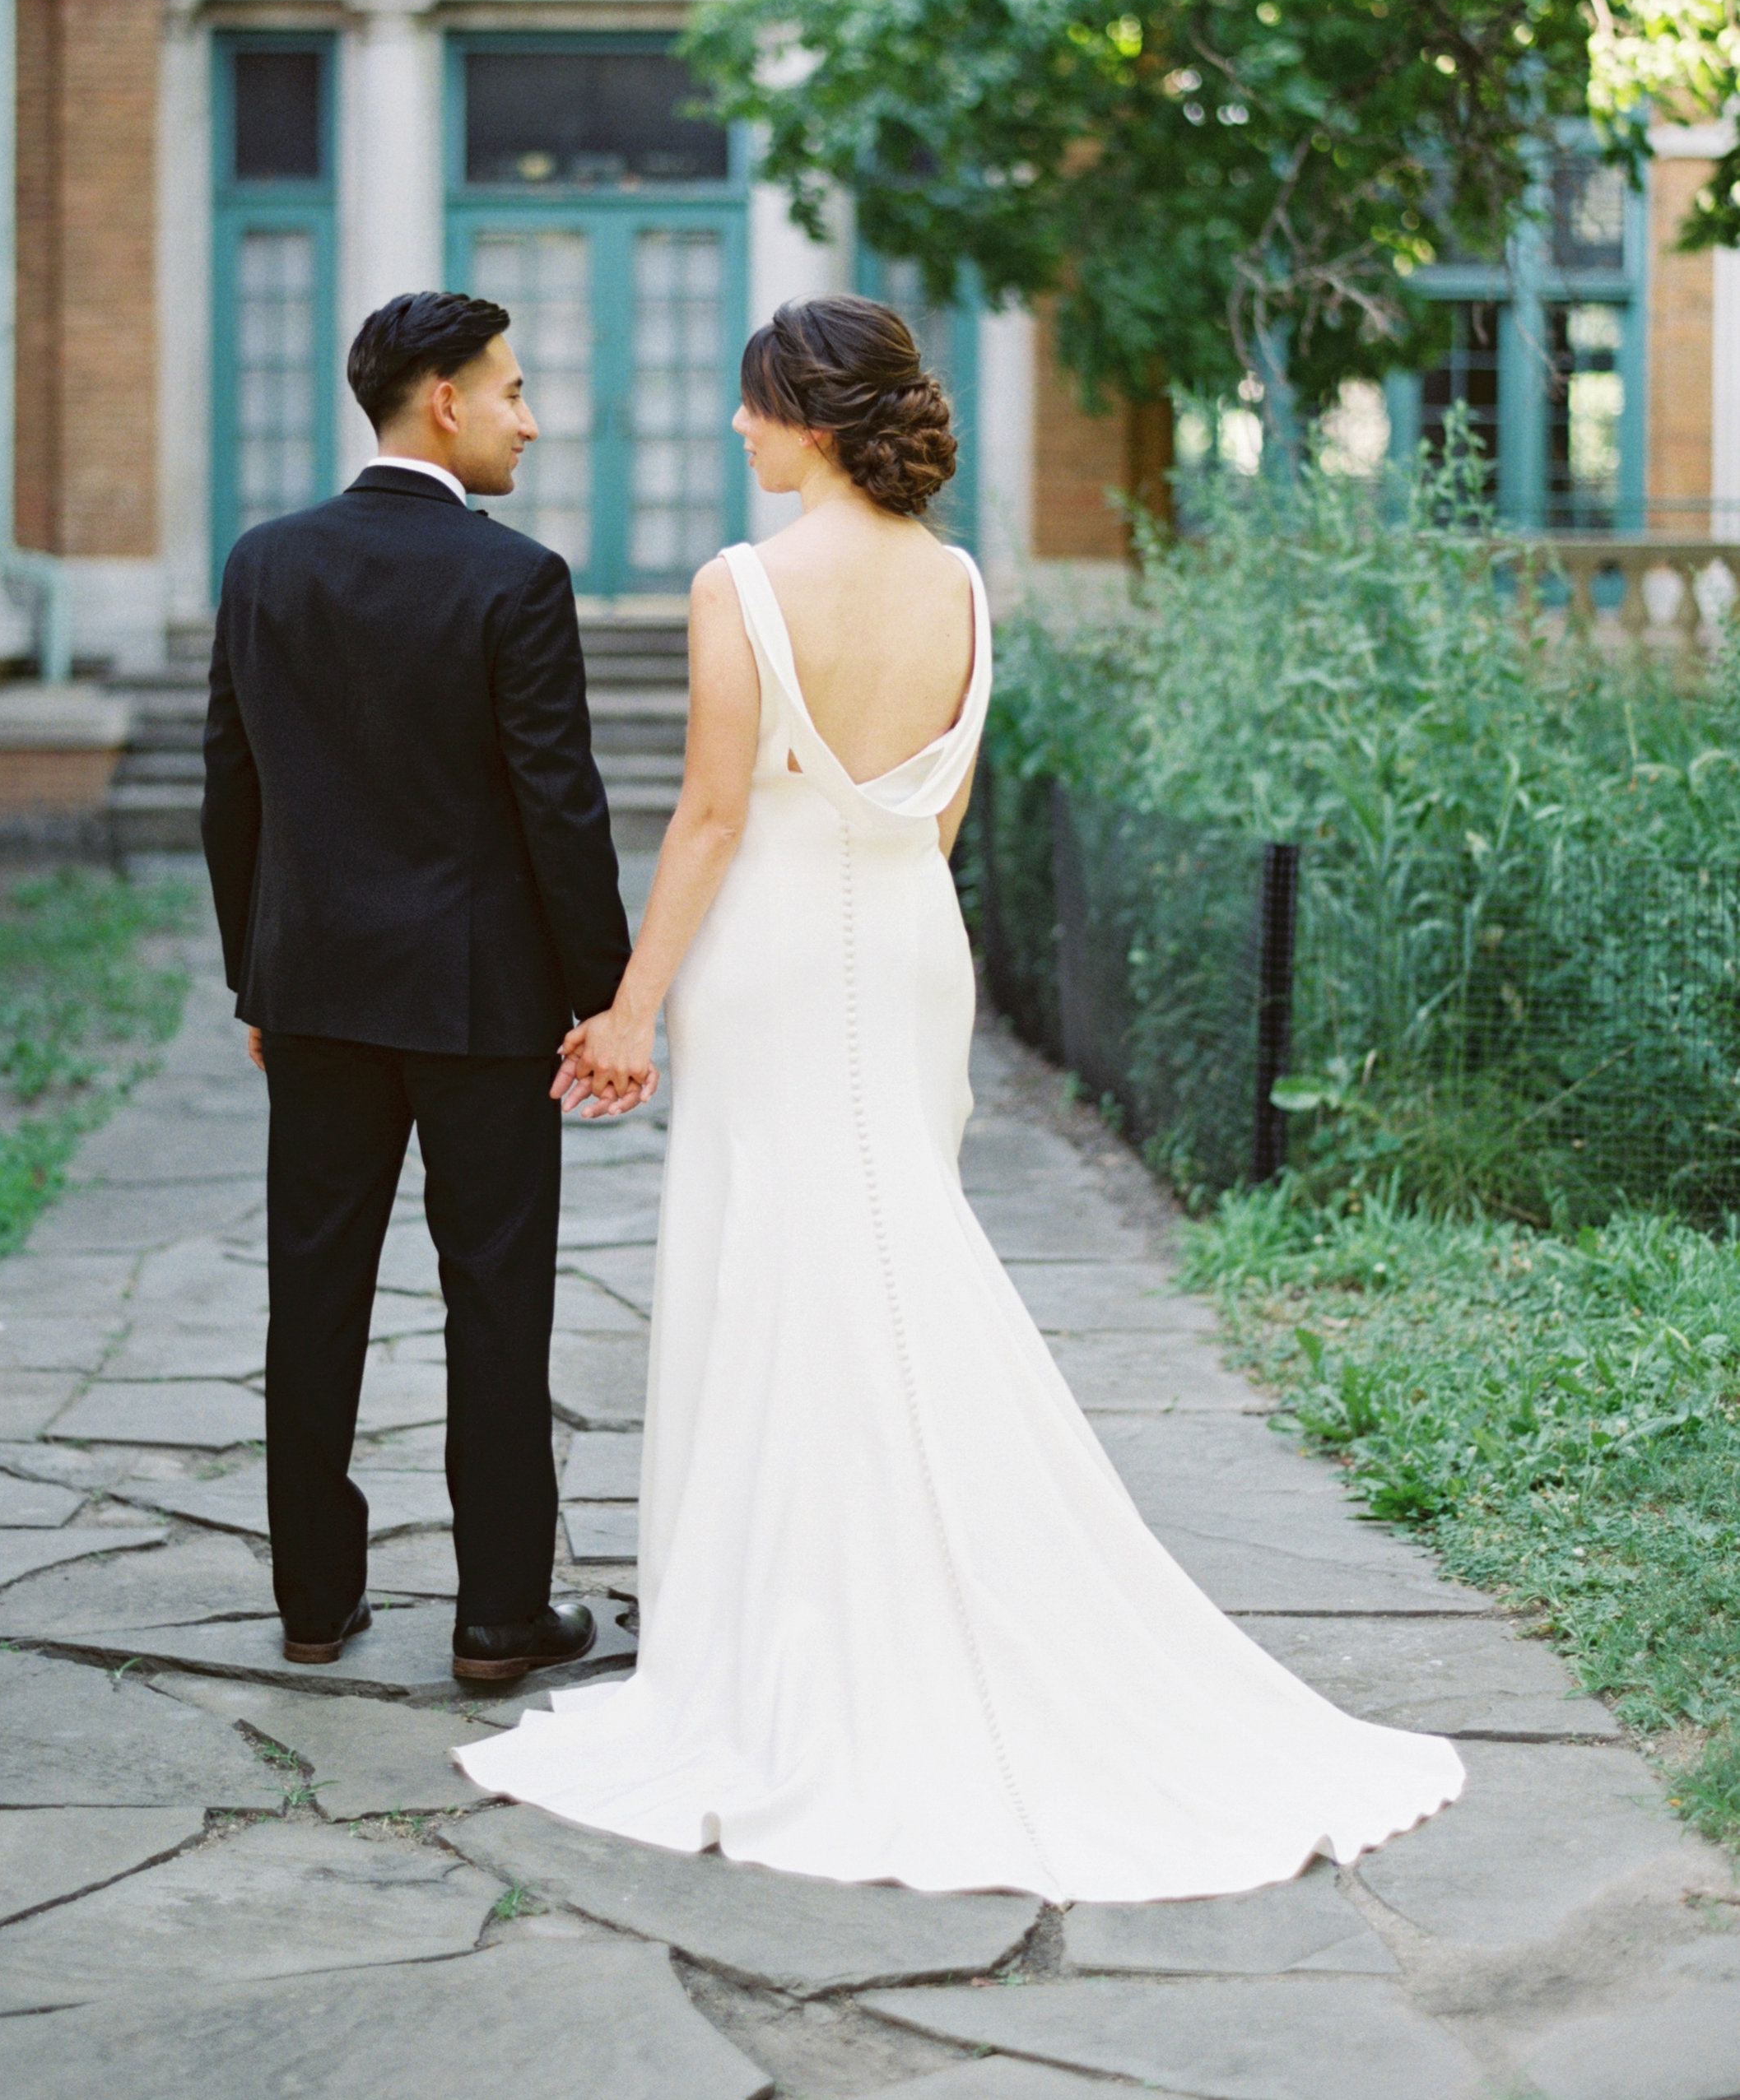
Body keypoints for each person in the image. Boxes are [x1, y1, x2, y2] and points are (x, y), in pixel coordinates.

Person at [463, 293, 1465, 1903]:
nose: (736, 428)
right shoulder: (956, 583)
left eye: (752, 404)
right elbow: (933, 822)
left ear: (809, 408)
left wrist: (629, 1005)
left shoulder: (741, 584)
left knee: (783, 1263)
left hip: (778, 951)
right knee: (890, 1242)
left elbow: (711, 815)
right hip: (909, 948)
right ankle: (922, 1577)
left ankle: (788, 1618)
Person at [202, 290, 650, 1681]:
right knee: (498, 1299)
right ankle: (501, 1616)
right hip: (483, 1010)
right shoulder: (514, 580)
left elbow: (233, 795)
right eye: (512, 389)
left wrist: (256, 986)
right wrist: (606, 999)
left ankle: (315, 1600)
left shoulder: (266, 564)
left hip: (321, 997)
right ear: (444, 401)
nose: (532, 416)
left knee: (314, 1291)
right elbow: (558, 813)